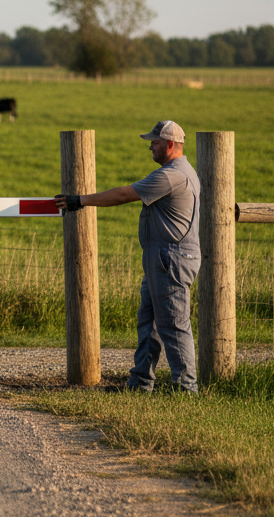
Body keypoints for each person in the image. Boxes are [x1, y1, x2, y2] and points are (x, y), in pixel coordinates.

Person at [54, 120, 200, 393]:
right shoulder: (183, 170)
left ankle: (186, 389)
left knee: (173, 324)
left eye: (155, 142)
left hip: (170, 258)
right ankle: (140, 383)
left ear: (170, 144)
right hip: (162, 258)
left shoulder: (171, 175)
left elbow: (124, 194)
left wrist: (79, 201)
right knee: (149, 321)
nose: (150, 147)